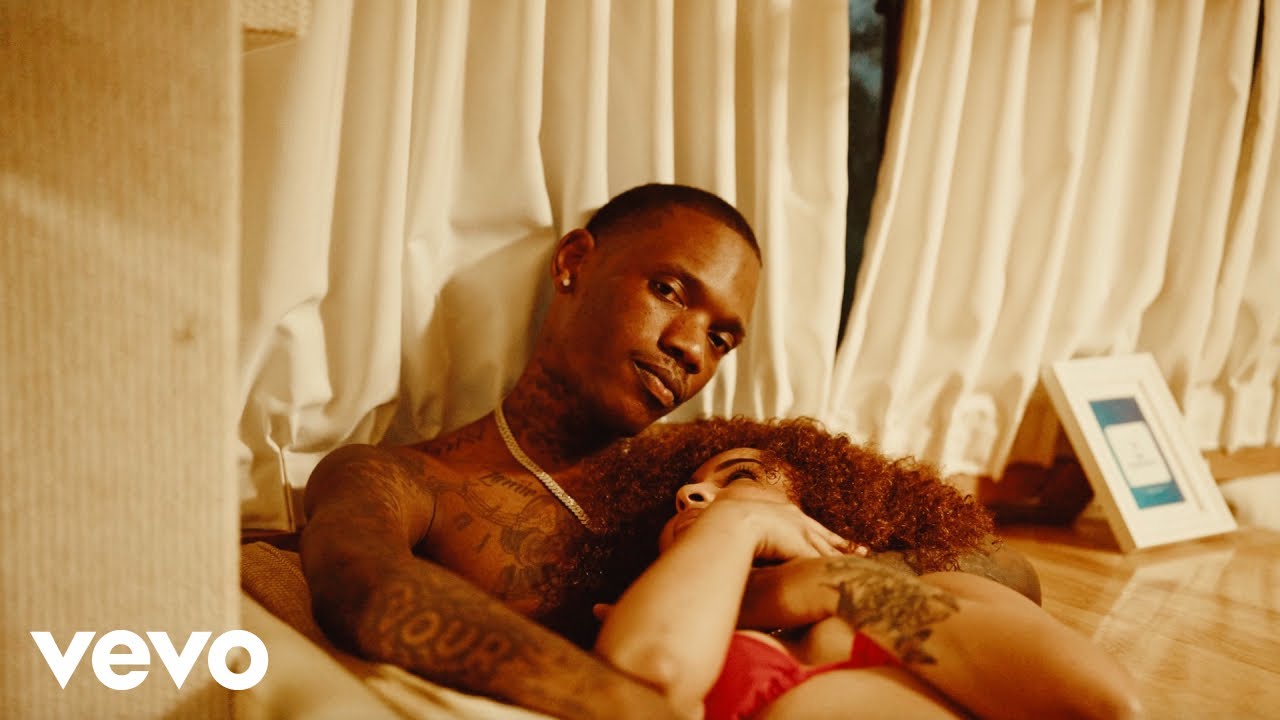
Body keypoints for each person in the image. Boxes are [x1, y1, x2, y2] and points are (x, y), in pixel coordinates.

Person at [301, 183, 764, 720]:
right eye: (668, 291)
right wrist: (627, 706)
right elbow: (363, 589)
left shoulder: (696, 489)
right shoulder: (403, 478)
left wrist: (750, 518)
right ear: (573, 263)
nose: (691, 348)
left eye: (719, 340)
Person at [592, 431, 1146, 720]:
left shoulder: (939, 589)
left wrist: (836, 582)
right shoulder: (653, 621)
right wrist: (738, 519)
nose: (691, 494)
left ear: (827, 506)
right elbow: (650, 678)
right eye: (685, 493)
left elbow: (1099, 706)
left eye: (739, 478)